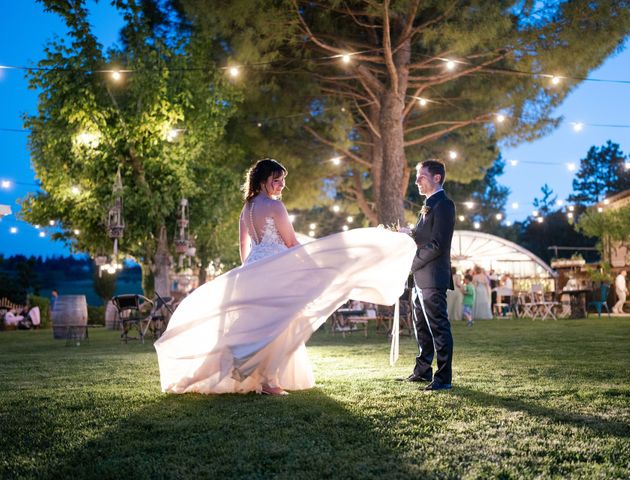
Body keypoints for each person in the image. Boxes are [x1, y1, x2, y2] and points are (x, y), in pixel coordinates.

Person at [154, 158, 416, 396]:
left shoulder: (246, 209)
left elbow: (244, 250)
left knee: (259, 324)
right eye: (276, 180)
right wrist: (315, 267)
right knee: (277, 324)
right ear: (262, 180)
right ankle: (268, 381)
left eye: (283, 180)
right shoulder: (275, 207)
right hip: (277, 269)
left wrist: (253, 270)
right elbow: (291, 243)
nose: (281, 185)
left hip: (255, 270)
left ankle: (254, 375)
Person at [398, 159, 456, 392]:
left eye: (421, 176)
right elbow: (423, 236)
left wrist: (410, 264)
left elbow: (437, 244)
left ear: (437, 178)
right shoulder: (428, 206)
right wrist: (406, 234)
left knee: (438, 327)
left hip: (433, 277)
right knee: (421, 327)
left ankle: (443, 378)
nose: (416, 181)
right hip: (421, 279)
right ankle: (423, 371)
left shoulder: (444, 205)